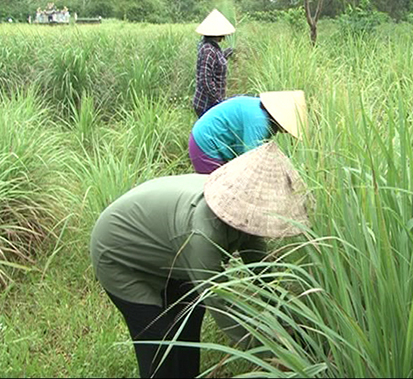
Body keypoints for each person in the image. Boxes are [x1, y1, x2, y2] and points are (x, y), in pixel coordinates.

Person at [90, 141, 310, 378]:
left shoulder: (244, 215)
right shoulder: (203, 232)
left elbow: (264, 275)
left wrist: (292, 323)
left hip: (170, 250)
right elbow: (219, 302)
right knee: (158, 342)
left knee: (188, 320)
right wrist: (271, 355)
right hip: (118, 254)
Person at [188, 90, 307, 174]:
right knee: (216, 196)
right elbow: (251, 163)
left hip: (206, 138)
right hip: (205, 145)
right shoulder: (259, 121)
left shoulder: (260, 110)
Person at [193, 9, 236, 118]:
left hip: (209, 103)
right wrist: (218, 100)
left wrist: (225, 54)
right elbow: (205, 80)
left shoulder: (211, 47)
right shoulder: (209, 50)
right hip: (207, 104)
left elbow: (215, 64)